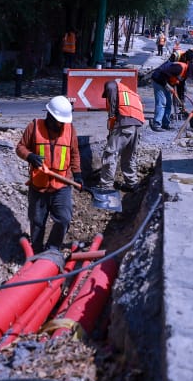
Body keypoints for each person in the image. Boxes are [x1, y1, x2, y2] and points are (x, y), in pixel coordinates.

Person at [16, 95, 81, 251]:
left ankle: (52, 248)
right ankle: (37, 250)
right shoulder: (34, 127)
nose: (61, 125)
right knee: (37, 222)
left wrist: (78, 173)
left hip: (62, 185)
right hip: (39, 186)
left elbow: (74, 154)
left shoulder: (70, 130)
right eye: (59, 121)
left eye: (63, 122)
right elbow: (20, 147)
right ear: (49, 116)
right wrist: (30, 156)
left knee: (63, 219)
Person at [97, 78, 144, 191]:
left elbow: (112, 111)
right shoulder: (130, 93)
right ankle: (132, 183)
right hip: (137, 125)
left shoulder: (111, 86)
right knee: (129, 155)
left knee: (111, 154)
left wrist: (112, 128)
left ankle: (106, 185)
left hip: (124, 123)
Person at [149, 56, 193, 130]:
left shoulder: (184, 74)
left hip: (166, 82)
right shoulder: (178, 68)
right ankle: (156, 124)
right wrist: (168, 86)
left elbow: (180, 88)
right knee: (162, 102)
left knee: (168, 104)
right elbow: (162, 74)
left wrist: (182, 102)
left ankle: (165, 124)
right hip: (158, 80)